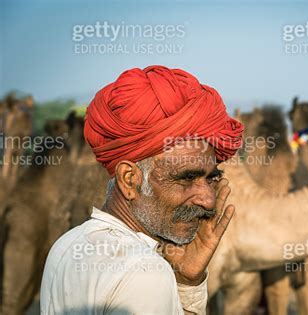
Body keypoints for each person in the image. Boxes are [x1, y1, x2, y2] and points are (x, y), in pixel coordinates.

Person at [40, 66, 244, 314]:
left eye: (211, 179)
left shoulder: (67, 245)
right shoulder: (147, 274)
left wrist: (187, 283)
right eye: (186, 179)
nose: (208, 200)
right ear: (129, 180)